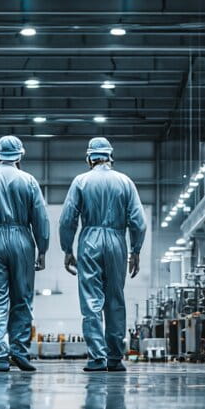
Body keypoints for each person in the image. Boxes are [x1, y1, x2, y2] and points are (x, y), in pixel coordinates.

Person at [58, 137, 147, 372]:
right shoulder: (125, 182)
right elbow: (138, 221)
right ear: (110, 157)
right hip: (117, 241)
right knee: (115, 300)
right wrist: (136, 250)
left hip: (89, 241)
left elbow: (67, 219)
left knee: (91, 301)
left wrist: (67, 249)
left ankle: (97, 357)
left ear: (89, 158)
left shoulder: (81, 181)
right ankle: (115, 358)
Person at [0, 135, 50, 372]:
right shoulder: (29, 181)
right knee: (22, 298)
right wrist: (42, 249)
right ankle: (20, 352)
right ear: (20, 155)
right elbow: (40, 218)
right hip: (23, 239)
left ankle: (0, 355)